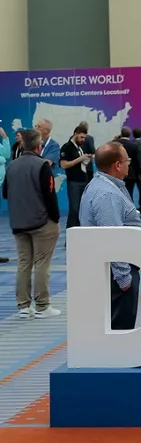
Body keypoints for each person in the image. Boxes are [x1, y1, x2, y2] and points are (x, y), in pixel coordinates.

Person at [79, 142, 141, 329]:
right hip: (117, 275)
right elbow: (112, 239)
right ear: (117, 165)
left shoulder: (103, 185)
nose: (129, 164)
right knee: (119, 330)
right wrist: (124, 279)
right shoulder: (107, 194)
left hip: (114, 272)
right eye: (127, 161)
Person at [2, 129, 61, 318]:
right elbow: (50, 195)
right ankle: (43, 306)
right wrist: (55, 218)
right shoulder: (42, 165)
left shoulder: (11, 166)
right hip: (41, 222)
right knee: (42, 263)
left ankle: (24, 306)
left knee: (23, 263)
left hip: (18, 223)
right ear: (39, 145)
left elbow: (5, 193)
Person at [59, 124, 94, 228]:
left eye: (84, 138)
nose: (83, 140)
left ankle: (79, 232)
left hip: (83, 180)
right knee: (74, 209)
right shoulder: (67, 147)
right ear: (75, 134)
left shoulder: (80, 148)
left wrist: (86, 159)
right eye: (81, 137)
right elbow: (63, 165)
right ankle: (70, 232)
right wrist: (80, 159)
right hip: (74, 181)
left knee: (82, 209)